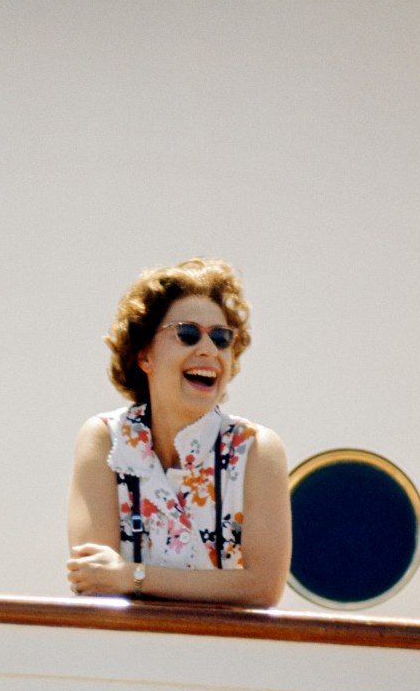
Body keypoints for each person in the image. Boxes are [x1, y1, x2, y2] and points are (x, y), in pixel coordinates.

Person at [66, 258, 291, 606]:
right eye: (187, 333)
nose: (208, 350)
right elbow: (94, 580)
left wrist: (133, 576)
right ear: (144, 355)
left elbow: (262, 588)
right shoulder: (104, 438)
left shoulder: (258, 448)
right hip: (126, 656)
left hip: (229, 656)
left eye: (221, 338)